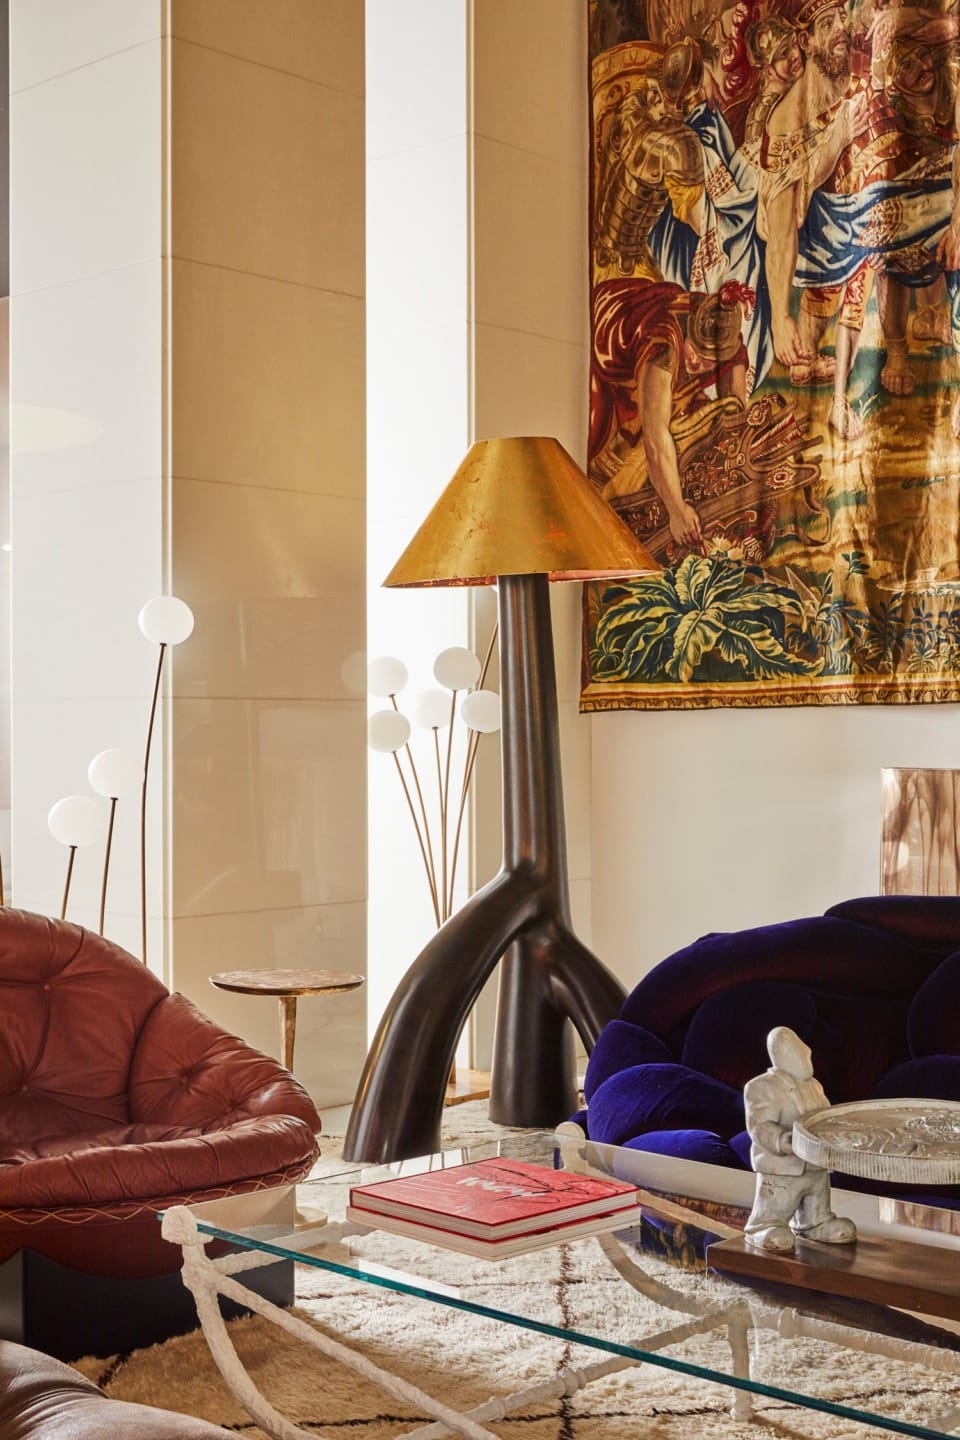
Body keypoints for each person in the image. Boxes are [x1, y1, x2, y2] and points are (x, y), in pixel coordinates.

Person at [590, 278, 751, 550]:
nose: (696, 362)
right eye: (695, 349)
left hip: (671, 390)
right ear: (689, 331)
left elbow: (737, 416)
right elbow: (655, 435)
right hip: (619, 366)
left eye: (708, 359)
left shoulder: (730, 346)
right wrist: (676, 510)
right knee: (622, 442)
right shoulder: (664, 343)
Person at [744, 1026, 858, 1253]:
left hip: (815, 1163)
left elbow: (824, 1115)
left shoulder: (814, 1085)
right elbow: (759, 1126)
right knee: (779, 1201)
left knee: (817, 1195)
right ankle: (764, 1226)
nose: (807, 1057)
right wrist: (780, 1140)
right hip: (784, 1166)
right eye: (800, 1052)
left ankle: (816, 1222)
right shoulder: (761, 1086)